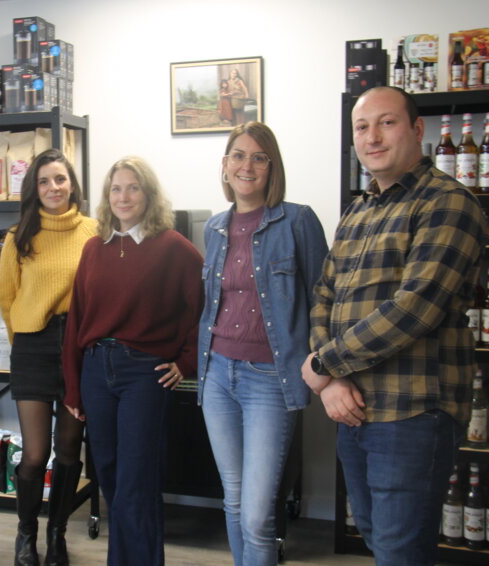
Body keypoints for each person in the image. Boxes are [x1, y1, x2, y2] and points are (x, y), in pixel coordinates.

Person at [302, 86, 489, 566]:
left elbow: (416, 305)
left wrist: (324, 363)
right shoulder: (359, 211)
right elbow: (325, 296)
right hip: (353, 409)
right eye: (362, 127)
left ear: (416, 129)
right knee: (377, 539)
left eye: (386, 123)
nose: (372, 136)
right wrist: (332, 383)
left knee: (401, 552)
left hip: (412, 414)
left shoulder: (449, 203)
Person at [197, 122, 328, 566]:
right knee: (232, 501)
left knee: (256, 515)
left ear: (272, 168)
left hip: (270, 380)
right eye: (238, 155)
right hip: (217, 376)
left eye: (258, 157)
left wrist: (325, 369)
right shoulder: (214, 228)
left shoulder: (298, 221)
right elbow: (210, 306)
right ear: (225, 165)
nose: (246, 165)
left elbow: (323, 301)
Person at [62, 156, 204, 566]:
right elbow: (77, 320)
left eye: (133, 187)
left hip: (144, 373)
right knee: (108, 475)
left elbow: (206, 306)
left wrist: (187, 361)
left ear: (149, 194)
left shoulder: (174, 248)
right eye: (116, 189)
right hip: (95, 370)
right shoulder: (94, 248)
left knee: (136, 482)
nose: (123, 197)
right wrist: (74, 387)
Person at [0, 148, 97, 566]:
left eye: (59, 179)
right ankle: (26, 536)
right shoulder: (18, 235)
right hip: (34, 345)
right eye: (43, 181)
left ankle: (57, 534)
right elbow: (7, 298)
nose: (53, 188)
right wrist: (24, 337)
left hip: (79, 345)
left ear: (72, 183)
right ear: (33, 189)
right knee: (36, 453)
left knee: (70, 449)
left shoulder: (95, 231)